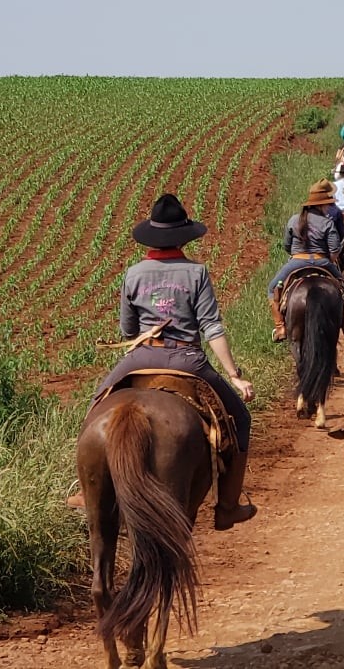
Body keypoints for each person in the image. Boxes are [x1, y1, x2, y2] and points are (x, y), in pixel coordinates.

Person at [93, 194, 258, 529]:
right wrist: (233, 374)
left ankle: (91, 488)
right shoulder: (196, 273)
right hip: (186, 359)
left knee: (97, 403)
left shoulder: (133, 273)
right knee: (239, 418)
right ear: (184, 237)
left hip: (140, 357)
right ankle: (227, 506)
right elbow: (211, 326)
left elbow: (127, 329)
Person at [268, 181, 344, 340]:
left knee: (272, 288)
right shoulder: (327, 222)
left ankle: (280, 327)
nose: (328, 208)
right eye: (327, 205)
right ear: (322, 205)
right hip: (322, 262)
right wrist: (328, 259)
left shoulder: (294, 220)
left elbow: (287, 246)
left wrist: (296, 255)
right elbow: (334, 250)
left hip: (296, 262)